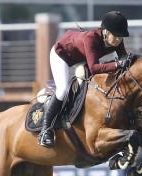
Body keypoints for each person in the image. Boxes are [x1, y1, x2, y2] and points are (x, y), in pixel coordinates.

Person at [38, 11, 131, 148]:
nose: (118, 40)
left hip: (82, 58)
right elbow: (94, 68)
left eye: (121, 36)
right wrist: (117, 64)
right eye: (116, 36)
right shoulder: (91, 38)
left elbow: (124, 58)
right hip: (62, 55)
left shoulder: (117, 40)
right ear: (105, 31)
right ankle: (45, 131)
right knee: (62, 90)